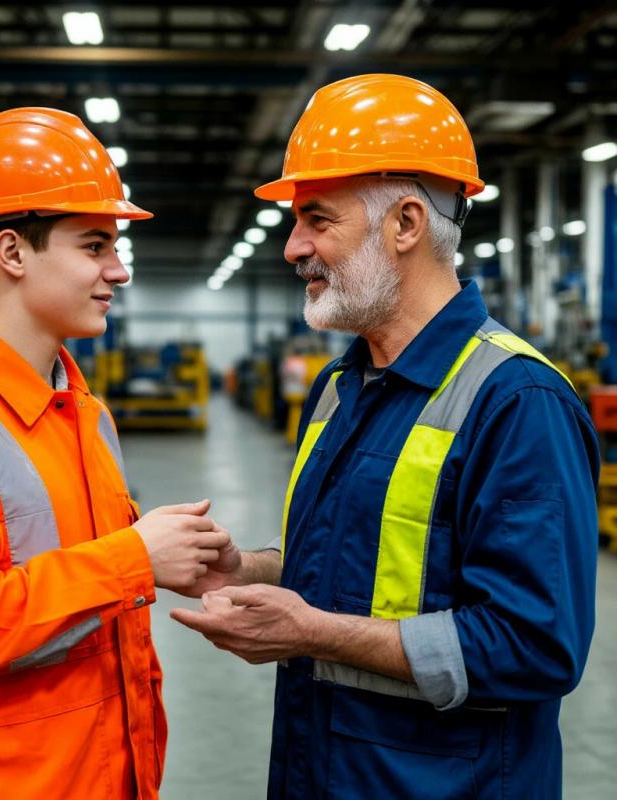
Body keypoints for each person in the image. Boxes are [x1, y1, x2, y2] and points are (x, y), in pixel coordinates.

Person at [172, 74, 599, 799]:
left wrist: (313, 633)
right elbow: (354, 565)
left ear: (405, 224)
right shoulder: (340, 387)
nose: (293, 247)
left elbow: (535, 645)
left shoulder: (518, 401)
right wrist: (248, 570)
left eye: (316, 219)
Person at [0, 107, 235, 800]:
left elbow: (85, 591)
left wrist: (176, 556)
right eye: (95, 245)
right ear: (12, 253)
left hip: (110, 774)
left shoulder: (84, 411)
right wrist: (134, 558)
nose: (119, 270)